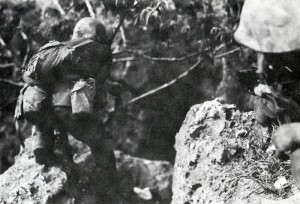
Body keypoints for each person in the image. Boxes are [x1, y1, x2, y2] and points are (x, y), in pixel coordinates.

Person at [15, 17, 121, 197]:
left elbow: (33, 77)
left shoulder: (56, 49)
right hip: (67, 108)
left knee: (47, 114)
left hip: (38, 107)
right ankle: (109, 186)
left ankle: (42, 146)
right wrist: (113, 88)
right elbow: (98, 80)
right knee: (102, 143)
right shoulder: (94, 50)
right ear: (96, 34)